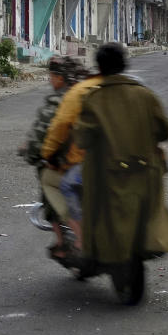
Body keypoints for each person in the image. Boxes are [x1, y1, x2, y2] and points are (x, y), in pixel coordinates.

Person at [73, 43, 168, 265]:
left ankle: (94, 251)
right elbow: (164, 131)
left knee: (90, 200)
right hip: (147, 172)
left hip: (109, 176)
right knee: (154, 206)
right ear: (123, 65)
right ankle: (151, 241)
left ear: (99, 67)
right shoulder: (144, 95)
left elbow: (82, 139)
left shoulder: (93, 99)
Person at [19, 56, 84, 256]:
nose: (50, 79)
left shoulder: (59, 101)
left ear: (59, 78)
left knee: (47, 182)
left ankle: (63, 241)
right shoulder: (91, 92)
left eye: (53, 75)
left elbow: (44, 135)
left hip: (71, 165)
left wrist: (32, 154)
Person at [40, 64, 103, 256]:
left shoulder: (77, 94)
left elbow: (59, 128)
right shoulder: (130, 89)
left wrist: (48, 155)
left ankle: (79, 238)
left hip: (91, 163)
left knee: (60, 184)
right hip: (127, 160)